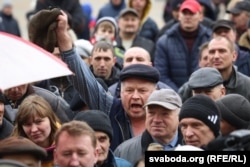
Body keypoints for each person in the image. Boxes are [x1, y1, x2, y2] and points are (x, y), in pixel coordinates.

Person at [55, 9, 159, 151]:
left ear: (156, 92)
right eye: (129, 90)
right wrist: (65, 41)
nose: (135, 96)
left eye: (142, 90)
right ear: (119, 92)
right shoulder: (111, 108)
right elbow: (83, 80)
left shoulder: (166, 116)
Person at [154, 0, 211, 92]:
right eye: (184, 13)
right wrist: (179, 94)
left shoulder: (210, 40)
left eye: (192, 13)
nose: (187, 17)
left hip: (202, 92)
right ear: (179, 16)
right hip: (172, 95)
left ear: (201, 16)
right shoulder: (164, 42)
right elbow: (162, 75)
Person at [114, 89, 183, 165]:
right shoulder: (124, 151)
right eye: (151, 113)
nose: (156, 120)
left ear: (179, 116)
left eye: (165, 114)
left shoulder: (193, 147)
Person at [11, 95, 61, 167]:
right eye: (28, 124)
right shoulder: (14, 153)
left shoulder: (68, 145)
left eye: (38, 122)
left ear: (50, 119)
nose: (34, 129)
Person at [2, 84, 72, 123]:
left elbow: (67, 125)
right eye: (9, 84)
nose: (15, 90)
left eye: (20, 83)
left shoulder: (47, 99)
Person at [208, 36, 250, 102]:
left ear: (234, 56)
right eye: (212, 52)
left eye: (222, 51)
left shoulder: (247, 86)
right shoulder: (194, 86)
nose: (216, 56)